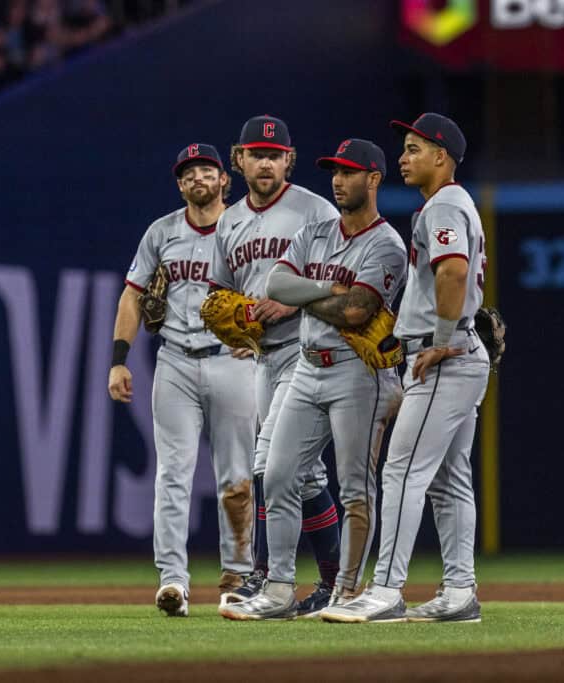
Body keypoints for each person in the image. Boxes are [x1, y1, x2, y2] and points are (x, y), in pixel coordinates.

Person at [219, 139, 406, 621]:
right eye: (335, 172)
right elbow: (277, 286)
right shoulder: (317, 231)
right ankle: (279, 590)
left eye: (349, 172)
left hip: (355, 372)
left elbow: (357, 310)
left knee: (355, 489)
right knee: (278, 476)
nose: (339, 180)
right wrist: (324, 290)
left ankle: (346, 591)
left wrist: (312, 296)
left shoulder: (386, 244)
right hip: (306, 365)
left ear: (374, 179)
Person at [321, 113, 490, 624]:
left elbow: (454, 270)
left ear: (442, 156)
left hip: (445, 358)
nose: (403, 156)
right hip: (458, 352)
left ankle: (387, 590)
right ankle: (460, 591)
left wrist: (438, 339)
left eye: (415, 148)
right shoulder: (456, 205)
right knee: (449, 480)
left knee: (401, 471)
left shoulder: (442, 207)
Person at [108, 143, 256, 617]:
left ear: (224, 179)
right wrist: (118, 359)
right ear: (179, 183)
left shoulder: (245, 228)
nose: (198, 177)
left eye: (207, 170)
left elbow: (271, 289)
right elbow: (132, 297)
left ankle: (237, 577)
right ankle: (173, 581)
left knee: (236, 476)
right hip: (174, 360)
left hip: (231, 361)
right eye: (189, 172)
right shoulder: (162, 232)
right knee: (172, 474)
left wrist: (258, 336)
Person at [209, 115, 343, 617]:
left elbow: (343, 277)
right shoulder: (229, 221)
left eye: (274, 154)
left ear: (289, 159)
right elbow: (219, 294)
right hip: (263, 358)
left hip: (312, 350)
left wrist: (292, 303)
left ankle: (269, 579)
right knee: (303, 477)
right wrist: (234, 322)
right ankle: (333, 584)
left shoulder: (316, 209)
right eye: (255, 153)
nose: (265, 162)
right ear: (238, 160)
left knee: (271, 466)